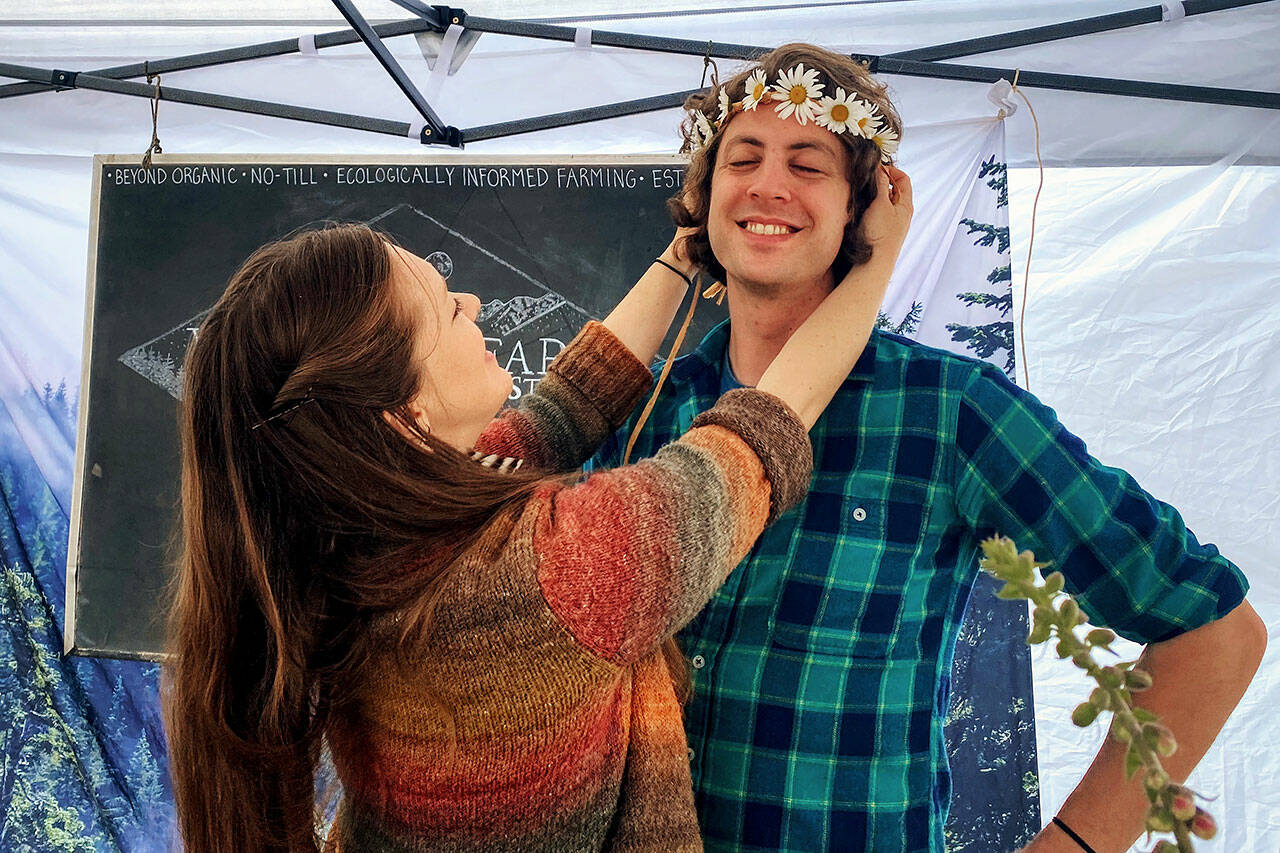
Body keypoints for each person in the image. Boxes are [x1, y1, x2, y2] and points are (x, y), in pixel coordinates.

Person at [591, 43, 1265, 853]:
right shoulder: (642, 412)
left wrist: (1076, 845)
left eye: (808, 164)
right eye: (744, 158)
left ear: (862, 209)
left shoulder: (951, 411)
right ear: (707, 196)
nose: (769, 185)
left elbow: (1217, 634)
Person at [163, 167, 912, 853]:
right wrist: (877, 260)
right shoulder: (554, 572)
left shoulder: (356, 531)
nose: (474, 302)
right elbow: (761, 432)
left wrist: (681, 259)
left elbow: (564, 409)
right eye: (446, 310)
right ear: (404, 411)